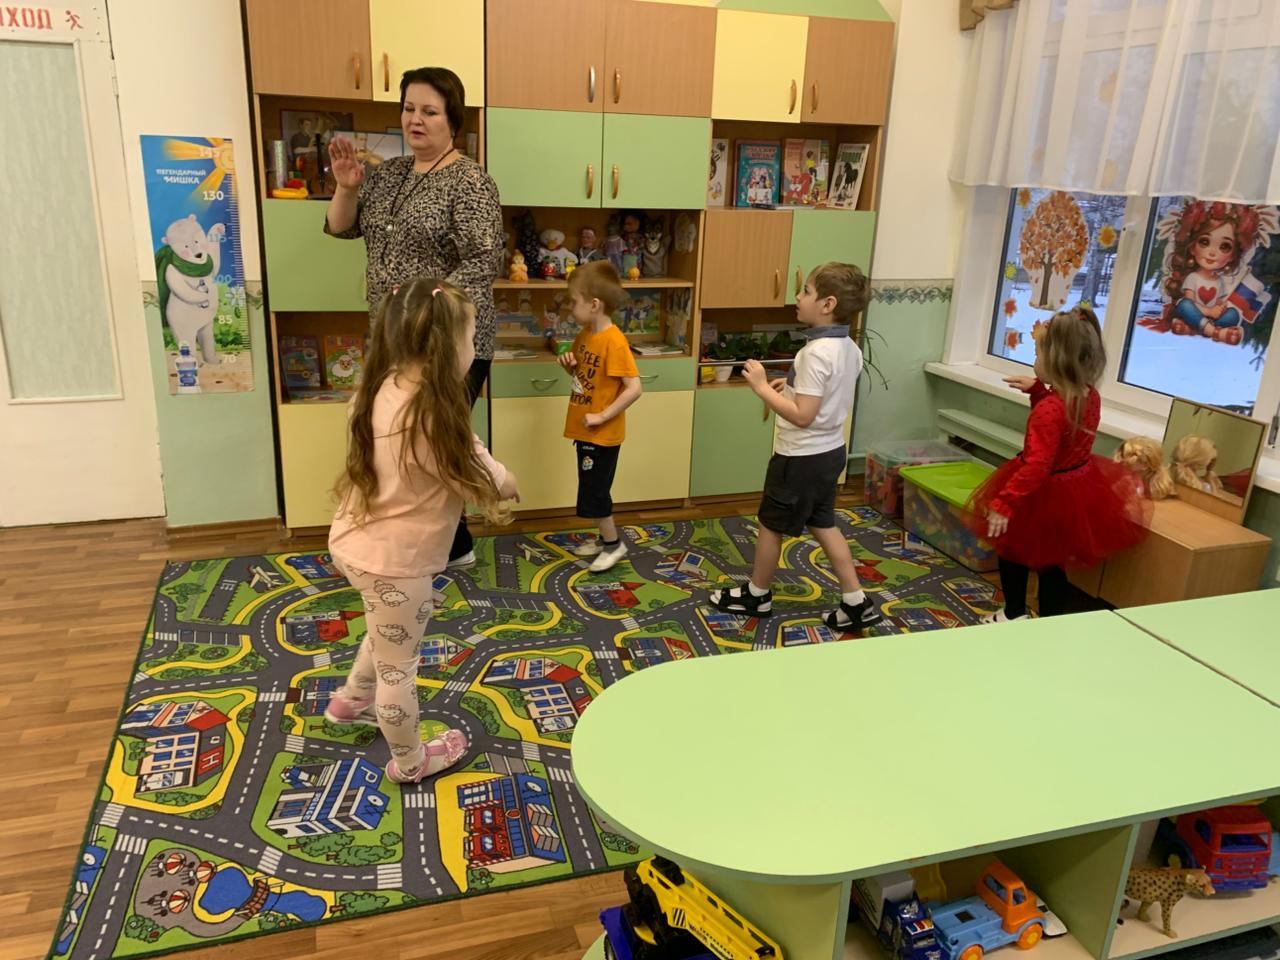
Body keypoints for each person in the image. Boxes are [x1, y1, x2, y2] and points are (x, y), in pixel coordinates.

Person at [325, 278, 519, 783]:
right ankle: (410, 762)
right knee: (400, 669)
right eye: (471, 338)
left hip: (353, 541)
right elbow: (493, 478)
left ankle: (351, 701)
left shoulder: (378, 386)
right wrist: (509, 482)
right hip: (395, 562)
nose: (474, 348)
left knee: (386, 629)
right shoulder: (437, 417)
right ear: (447, 346)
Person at [325, 66, 503, 570]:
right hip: (391, 337)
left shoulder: (471, 182)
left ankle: (443, 547)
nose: (415, 120)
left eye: (429, 111)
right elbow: (341, 228)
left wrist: (426, 315)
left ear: (453, 120)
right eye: (408, 109)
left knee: (434, 440)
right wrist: (346, 187)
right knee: (406, 438)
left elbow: (482, 262)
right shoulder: (387, 174)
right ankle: (450, 544)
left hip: (448, 340)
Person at [710, 262, 882, 630]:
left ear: (828, 304)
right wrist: (786, 389)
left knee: (770, 524)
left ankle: (757, 594)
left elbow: (803, 416)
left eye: (806, 290)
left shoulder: (815, 353)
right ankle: (856, 600)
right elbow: (822, 398)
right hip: (830, 453)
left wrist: (760, 387)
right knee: (823, 523)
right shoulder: (849, 347)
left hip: (799, 457)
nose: (798, 296)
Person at [964, 306, 1148, 622]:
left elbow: (1038, 463)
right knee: (1052, 563)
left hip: (1039, 492)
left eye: (1037, 353)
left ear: (1056, 362)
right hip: (1073, 488)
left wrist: (1005, 503)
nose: (1034, 360)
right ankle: (1052, 623)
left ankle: (1013, 614)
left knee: (1011, 550)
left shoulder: (1050, 410)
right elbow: (1062, 434)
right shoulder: (1088, 395)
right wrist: (1038, 391)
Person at [555, 261, 642, 573]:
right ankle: (604, 539)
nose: (570, 308)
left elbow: (634, 388)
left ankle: (614, 544)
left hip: (602, 435)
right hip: (587, 430)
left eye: (573, 302)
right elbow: (585, 376)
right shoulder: (586, 335)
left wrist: (602, 416)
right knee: (590, 486)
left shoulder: (614, 341)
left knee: (595, 491)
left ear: (594, 305)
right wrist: (570, 366)